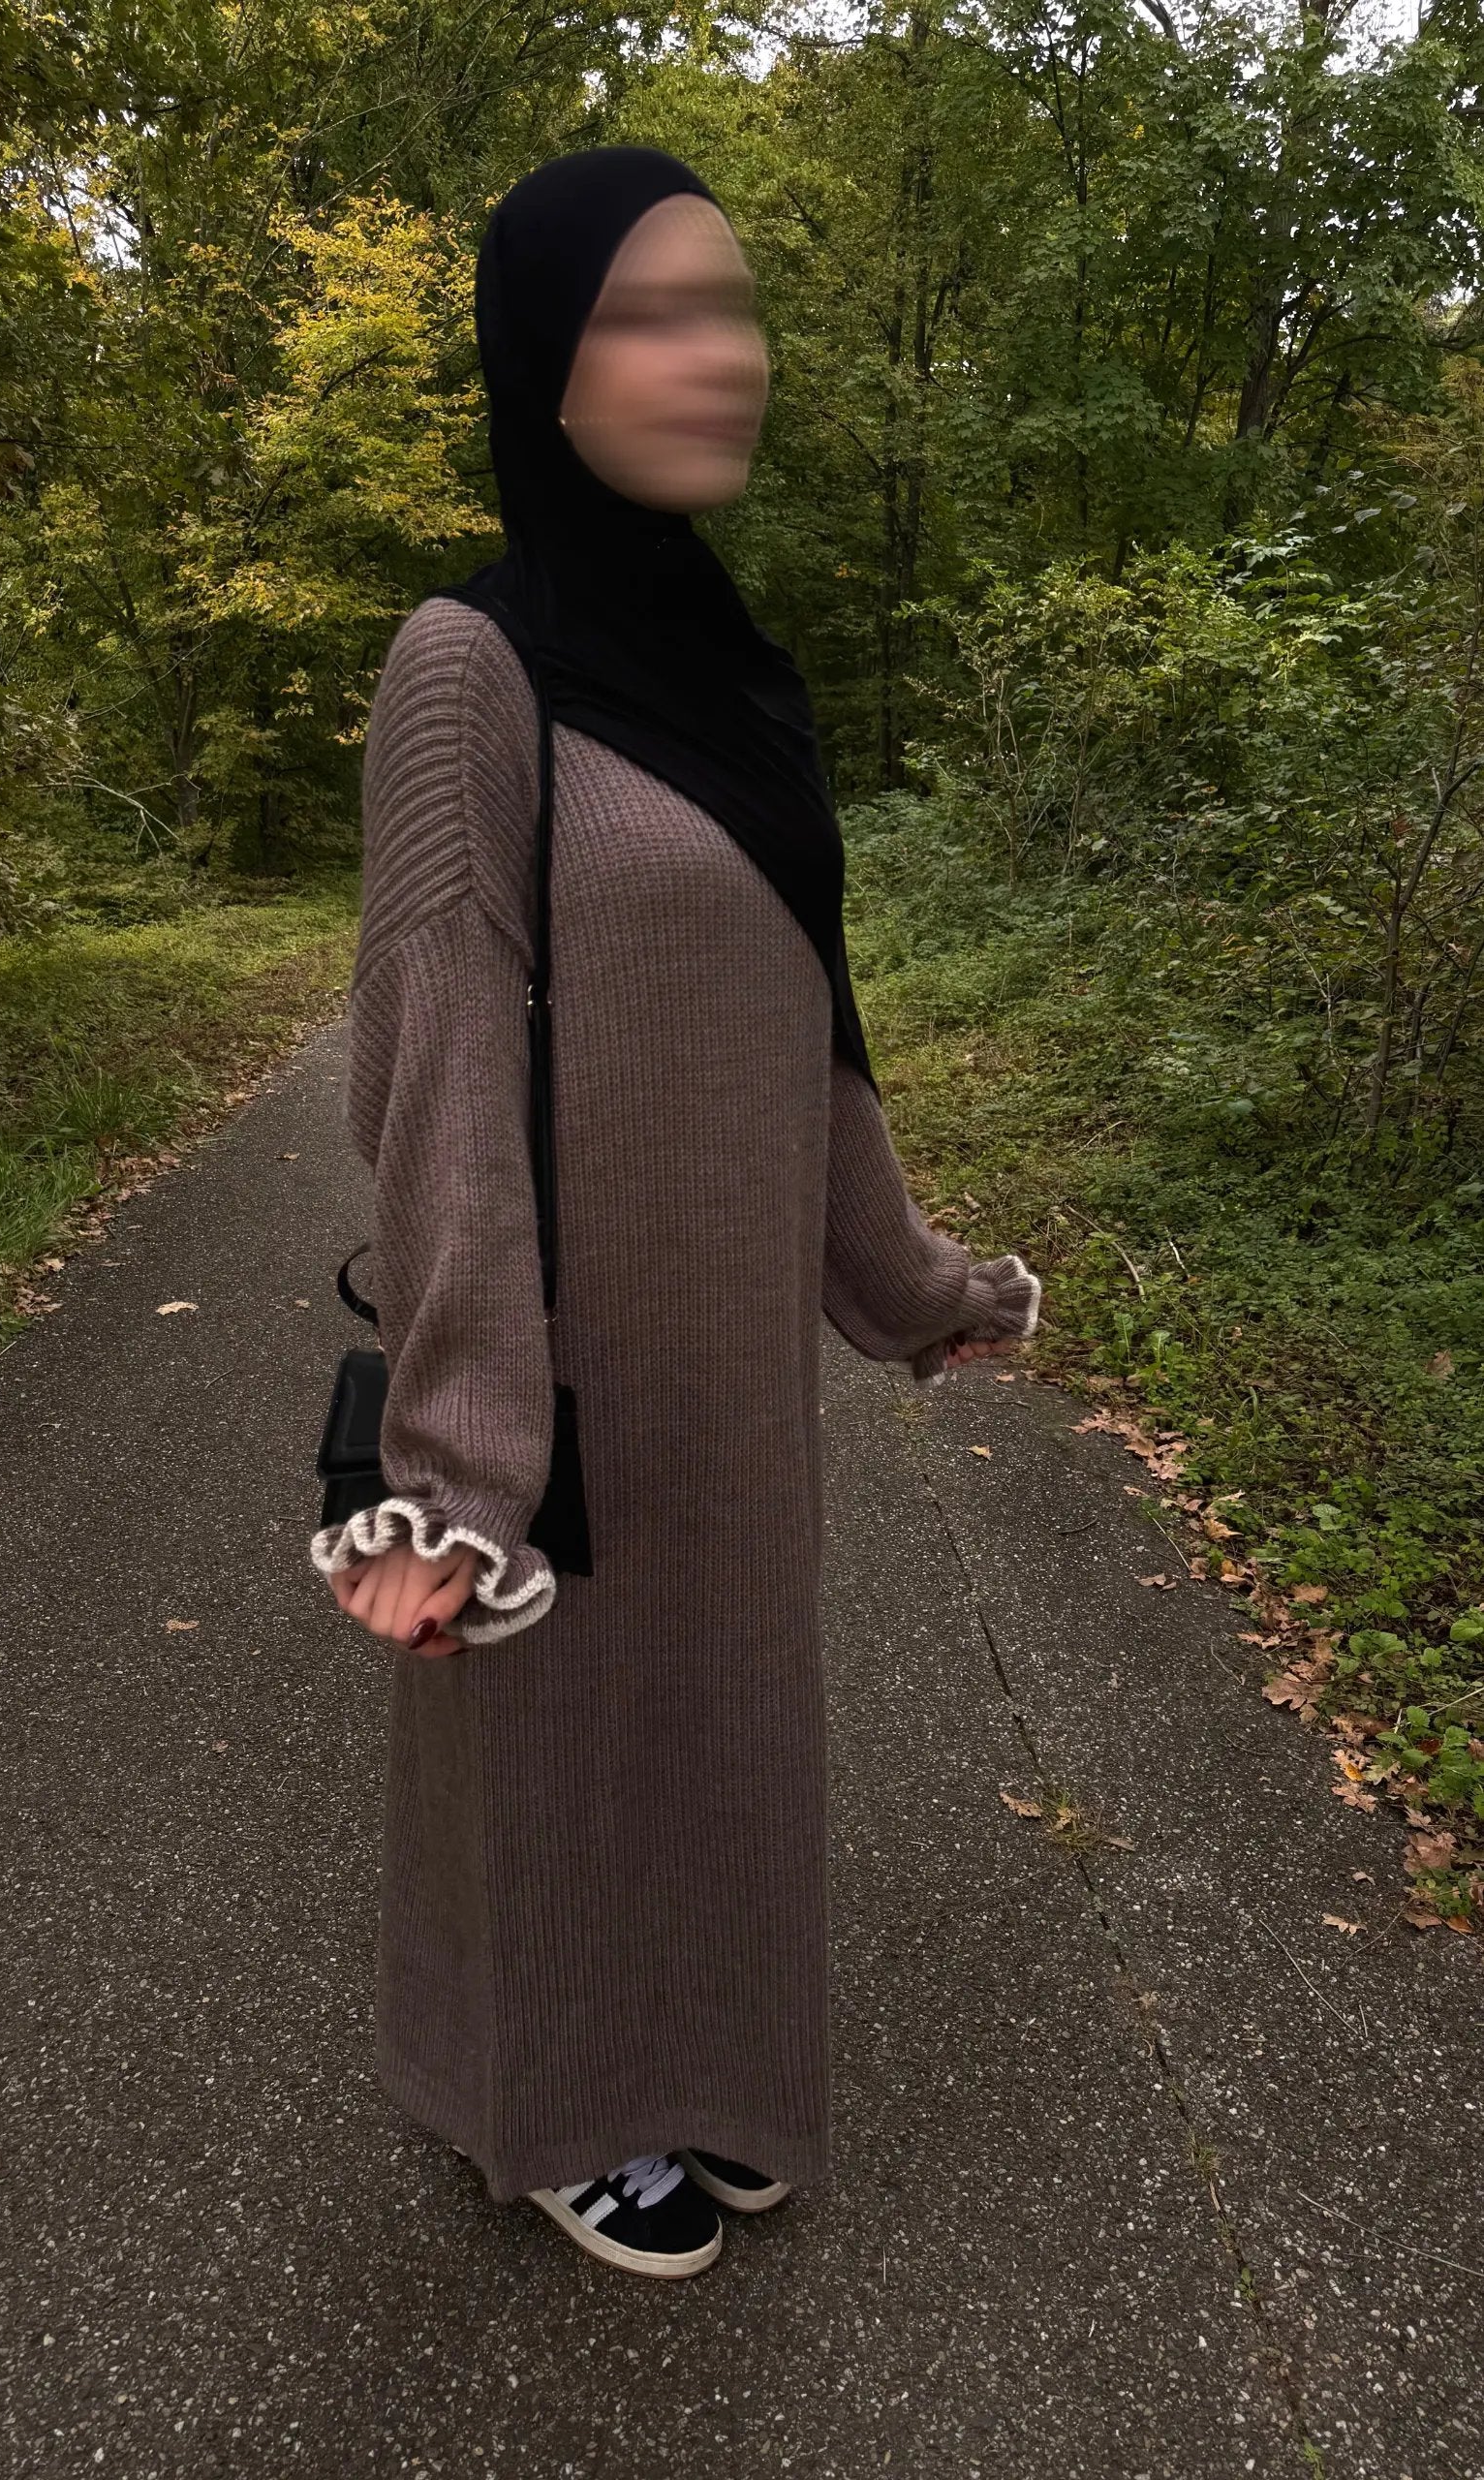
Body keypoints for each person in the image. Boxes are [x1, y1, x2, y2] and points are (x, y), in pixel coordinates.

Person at [312, 144, 1041, 2280]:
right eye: (646, 315)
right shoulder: (470, 663)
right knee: (551, 1731)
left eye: (729, 306)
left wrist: (905, 1284)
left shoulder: (736, 678)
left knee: (717, 1714)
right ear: (542, 363)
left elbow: (814, 1033)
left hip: (729, 1350)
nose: (716, 355)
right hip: (556, 1348)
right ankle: (549, 2101)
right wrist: (459, 1468)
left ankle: (700, 2060)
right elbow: (433, 1056)